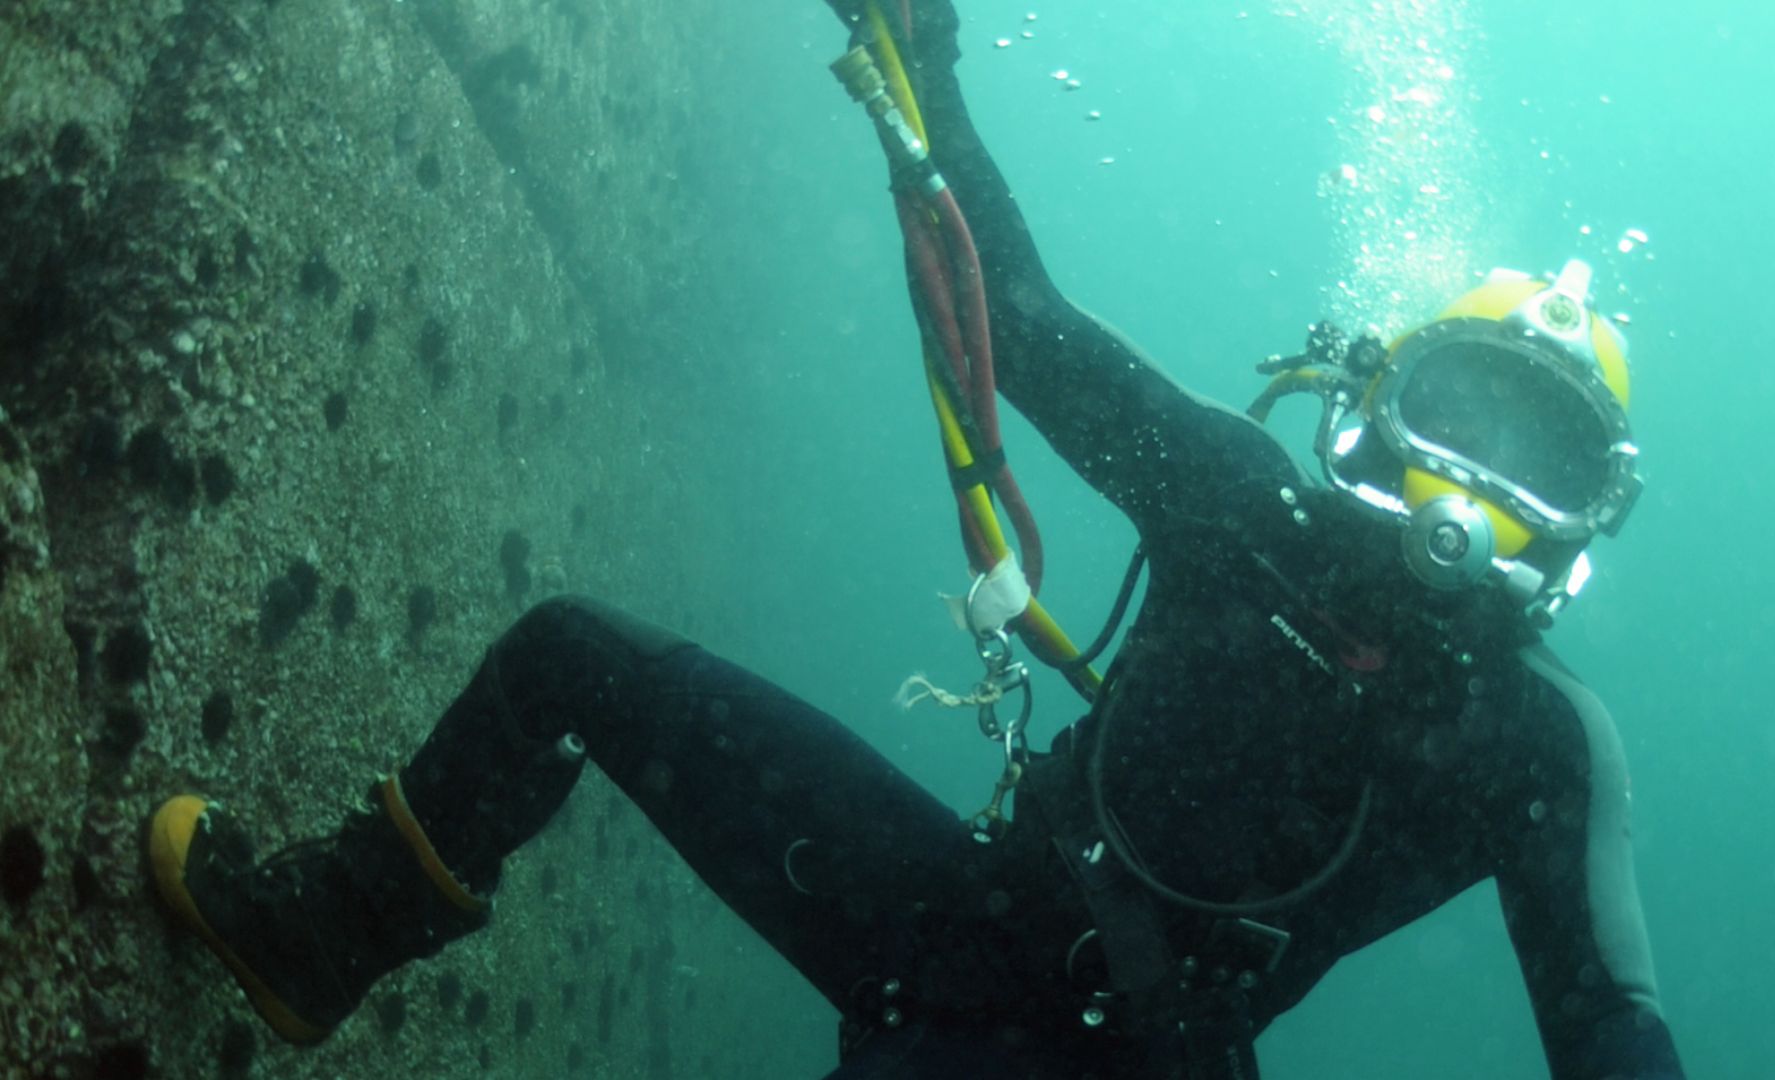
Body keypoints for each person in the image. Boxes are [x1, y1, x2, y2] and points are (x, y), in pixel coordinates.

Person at [148, 4, 1685, 1077]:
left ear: (1583, 525)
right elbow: (1009, 321)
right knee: (567, 662)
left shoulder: (1540, 746)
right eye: (1456, 414)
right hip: (951, 914)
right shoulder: (1240, 501)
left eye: (1537, 464)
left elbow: (1609, 1028)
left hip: (1146, 1060)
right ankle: (324, 938)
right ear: (1373, 401)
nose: (1469, 492)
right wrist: (922, 53)